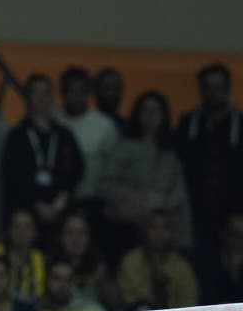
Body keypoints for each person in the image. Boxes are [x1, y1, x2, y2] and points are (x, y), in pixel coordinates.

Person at [100, 91, 192, 254]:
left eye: (156, 111)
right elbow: (105, 183)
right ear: (137, 114)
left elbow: (179, 194)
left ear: (164, 116)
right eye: (145, 110)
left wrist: (157, 201)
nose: (150, 116)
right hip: (128, 228)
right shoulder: (124, 147)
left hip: (164, 232)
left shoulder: (171, 151)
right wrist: (129, 195)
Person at [1, 73, 84, 237]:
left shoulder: (64, 135)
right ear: (28, 97)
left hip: (59, 212)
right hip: (26, 213)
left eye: (46, 92)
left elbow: (76, 170)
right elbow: (11, 175)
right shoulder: (17, 136)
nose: (41, 98)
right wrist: (37, 205)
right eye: (36, 92)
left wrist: (58, 204)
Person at [177, 63, 243, 253]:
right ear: (201, 90)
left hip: (234, 211)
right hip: (193, 212)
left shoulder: (241, 126)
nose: (213, 93)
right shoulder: (187, 124)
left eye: (219, 87)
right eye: (208, 87)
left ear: (228, 89)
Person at [54, 66, 119, 202]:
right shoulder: (52, 119)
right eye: (71, 91)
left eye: (81, 91)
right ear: (62, 93)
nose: (76, 96)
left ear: (89, 93)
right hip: (55, 197)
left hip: (92, 198)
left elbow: (113, 167)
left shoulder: (104, 125)